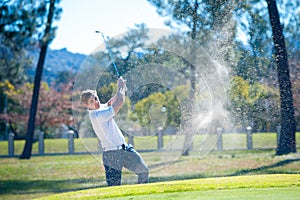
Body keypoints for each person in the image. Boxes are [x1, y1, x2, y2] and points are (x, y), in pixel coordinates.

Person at [81, 77, 149, 186]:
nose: (96, 102)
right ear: (86, 105)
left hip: (125, 149)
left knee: (144, 171)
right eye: (91, 101)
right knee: (114, 187)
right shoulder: (98, 115)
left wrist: (121, 90)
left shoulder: (99, 109)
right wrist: (121, 87)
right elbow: (119, 103)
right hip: (111, 155)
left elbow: (109, 103)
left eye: (96, 98)